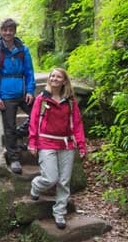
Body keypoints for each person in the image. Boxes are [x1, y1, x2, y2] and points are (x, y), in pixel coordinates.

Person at [28, 68, 86, 230]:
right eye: (52, 76)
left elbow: (77, 124)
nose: (54, 78)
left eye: (58, 77)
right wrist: (32, 142)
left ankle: (59, 212)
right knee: (50, 178)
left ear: (64, 81)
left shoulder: (70, 101)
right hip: (46, 142)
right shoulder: (42, 99)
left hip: (66, 144)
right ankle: (36, 186)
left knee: (64, 181)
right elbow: (33, 121)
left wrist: (81, 145)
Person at [0, 18, 36, 174]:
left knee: (39, 114)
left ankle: (21, 133)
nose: (8, 33)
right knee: (9, 128)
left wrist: (29, 90)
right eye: (5, 30)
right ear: (0, 31)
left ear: (15, 31)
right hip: (6, 96)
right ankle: (14, 159)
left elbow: (29, 71)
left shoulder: (23, 50)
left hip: (22, 92)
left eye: (11, 29)